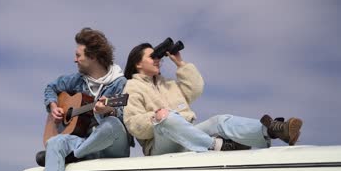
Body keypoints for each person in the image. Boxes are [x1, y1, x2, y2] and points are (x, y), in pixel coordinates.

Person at [21, 28, 130, 171]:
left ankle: (72, 155)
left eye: (78, 55)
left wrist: (108, 111)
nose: (75, 59)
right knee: (55, 142)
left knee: (111, 124)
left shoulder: (120, 84)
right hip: (89, 143)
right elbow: (50, 88)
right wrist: (53, 106)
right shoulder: (77, 81)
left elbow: (127, 119)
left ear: (94, 57)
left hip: (112, 143)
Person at [123, 43, 303, 156]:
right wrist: (156, 117)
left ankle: (273, 130)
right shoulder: (132, 87)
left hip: (188, 136)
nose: (157, 60)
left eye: (158, 57)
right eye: (152, 57)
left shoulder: (168, 84)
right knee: (166, 117)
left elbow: (196, 89)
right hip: (160, 145)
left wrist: (180, 64)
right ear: (138, 63)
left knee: (220, 120)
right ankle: (216, 145)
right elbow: (133, 124)